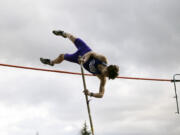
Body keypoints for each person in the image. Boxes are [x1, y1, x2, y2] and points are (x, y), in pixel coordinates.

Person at [40, 30, 119, 98]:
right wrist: (84, 59)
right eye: (106, 73)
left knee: (62, 56)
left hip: (79, 60)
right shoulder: (103, 59)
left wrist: (90, 94)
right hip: (85, 51)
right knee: (72, 37)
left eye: (106, 76)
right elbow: (91, 53)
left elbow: (101, 94)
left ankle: (51, 62)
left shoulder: (102, 78)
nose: (104, 75)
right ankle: (63, 33)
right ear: (107, 68)